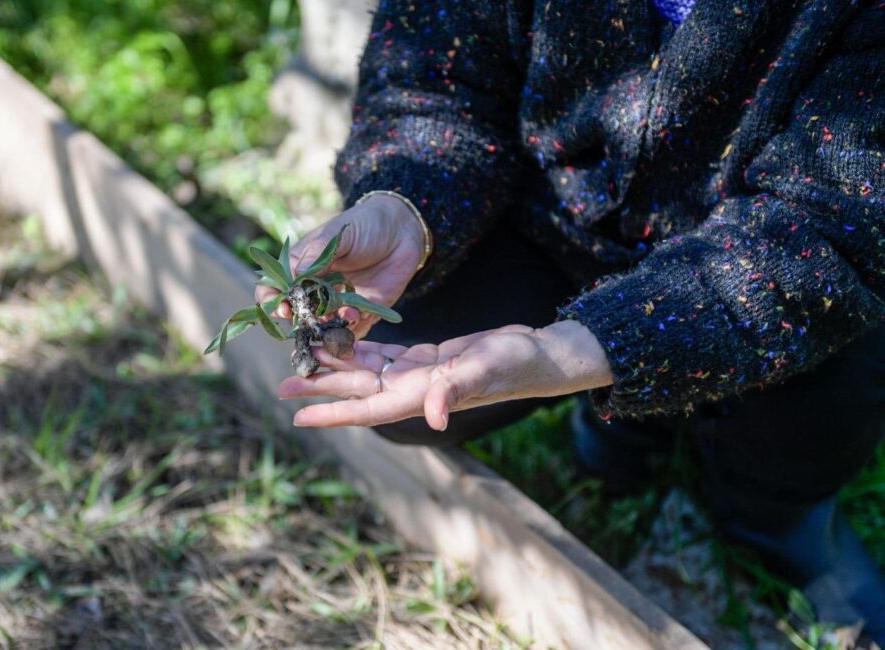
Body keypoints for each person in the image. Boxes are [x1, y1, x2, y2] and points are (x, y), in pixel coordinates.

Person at [257, 0, 885, 640]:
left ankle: (777, 513)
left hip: (760, 260)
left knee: (819, 384)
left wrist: (581, 350)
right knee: (400, 351)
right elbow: (432, 81)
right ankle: (630, 428)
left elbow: (831, 227)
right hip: (550, 219)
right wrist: (406, 203)